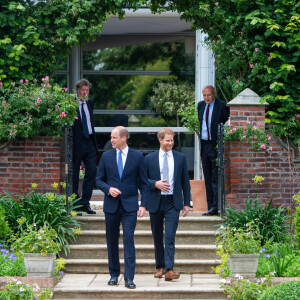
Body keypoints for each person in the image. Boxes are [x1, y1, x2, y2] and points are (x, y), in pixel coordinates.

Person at [95, 126, 148, 289]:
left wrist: (143, 204)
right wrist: (108, 189)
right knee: (111, 241)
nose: (111, 140)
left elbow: (144, 184)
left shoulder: (137, 156)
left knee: (128, 240)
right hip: (111, 206)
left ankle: (129, 278)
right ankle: (114, 275)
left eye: (114, 137)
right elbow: (98, 180)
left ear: (124, 138)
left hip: (130, 206)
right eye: (111, 137)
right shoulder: (106, 156)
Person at [144, 128, 190, 281]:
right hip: (156, 201)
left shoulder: (180, 158)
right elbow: (142, 181)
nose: (170, 143)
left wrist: (186, 203)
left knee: (169, 236)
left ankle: (169, 269)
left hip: (172, 202)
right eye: (167, 140)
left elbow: (185, 182)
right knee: (157, 236)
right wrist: (155, 184)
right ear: (160, 140)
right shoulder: (149, 158)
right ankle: (160, 267)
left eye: (172, 140)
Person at [197, 85, 229, 216]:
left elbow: (227, 124)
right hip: (204, 145)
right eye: (204, 95)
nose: (206, 98)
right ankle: (210, 206)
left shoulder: (222, 105)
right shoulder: (200, 106)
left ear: (214, 94)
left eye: (209, 95)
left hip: (216, 145)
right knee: (208, 177)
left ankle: (216, 206)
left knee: (216, 177)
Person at [72, 78, 98, 215]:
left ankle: (85, 202)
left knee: (91, 172)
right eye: (83, 90)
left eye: (87, 90)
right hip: (77, 142)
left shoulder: (90, 103)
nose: (85, 93)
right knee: (75, 173)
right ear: (77, 90)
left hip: (90, 142)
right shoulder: (71, 104)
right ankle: (75, 203)